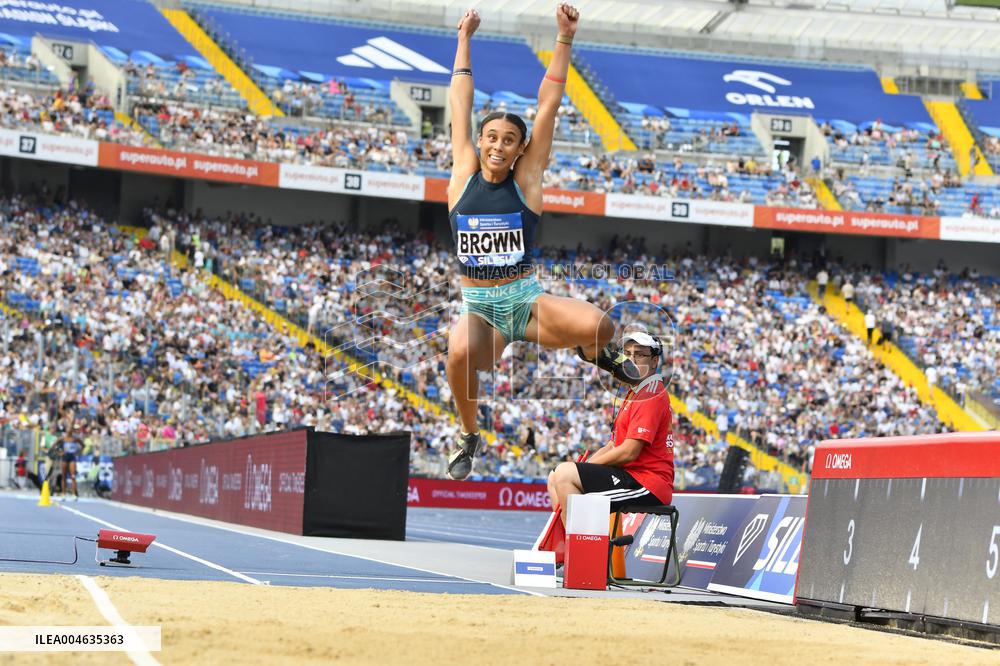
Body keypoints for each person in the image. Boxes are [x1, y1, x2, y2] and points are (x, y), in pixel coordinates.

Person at [445, 4, 642, 480]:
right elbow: (460, 102)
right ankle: (469, 435)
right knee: (458, 354)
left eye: (509, 140)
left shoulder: (527, 180)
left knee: (602, 326)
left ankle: (595, 353)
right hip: (481, 311)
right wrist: (464, 39)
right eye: (491, 137)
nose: (498, 145)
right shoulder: (462, 174)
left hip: (526, 302)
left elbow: (548, 104)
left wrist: (564, 37)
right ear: (480, 141)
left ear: (520, 148)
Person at [546, 330, 674, 523]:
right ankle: (573, 538)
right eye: (627, 354)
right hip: (632, 476)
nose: (632, 360)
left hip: (648, 483)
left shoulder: (650, 394)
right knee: (555, 476)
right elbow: (613, 444)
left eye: (639, 355)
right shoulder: (636, 392)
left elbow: (629, 452)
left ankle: (581, 541)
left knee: (565, 474)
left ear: (654, 361)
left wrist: (584, 468)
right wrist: (583, 468)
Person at [60, 433, 80, 499]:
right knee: (64, 476)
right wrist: (59, 452)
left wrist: (78, 452)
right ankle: (63, 493)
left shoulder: (75, 438)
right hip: (65, 457)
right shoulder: (63, 438)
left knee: (73, 476)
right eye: (68, 428)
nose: (69, 430)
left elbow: (83, 445)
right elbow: (54, 445)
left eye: (71, 429)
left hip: (72, 458)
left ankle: (74, 494)